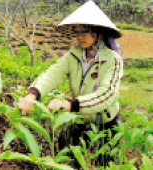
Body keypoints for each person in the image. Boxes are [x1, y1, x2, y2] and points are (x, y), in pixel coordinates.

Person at [18, 0, 123, 167]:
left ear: (97, 32)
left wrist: (71, 104)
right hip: (80, 117)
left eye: (84, 32)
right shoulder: (74, 55)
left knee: (105, 164)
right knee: (69, 158)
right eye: (77, 32)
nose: (79, 37)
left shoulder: (112, 60)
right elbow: (53, 74)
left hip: (106, 123)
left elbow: (107, 94)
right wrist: (32, 95)